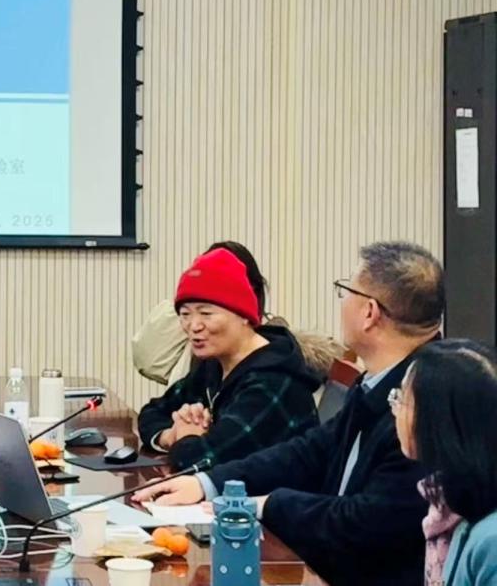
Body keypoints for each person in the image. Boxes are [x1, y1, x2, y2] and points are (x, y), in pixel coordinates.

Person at [133, 241, 445, 586]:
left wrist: (267, 505)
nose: (194, 325)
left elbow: (365, 521)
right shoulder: (380, 380)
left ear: (369, 312)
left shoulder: (423, 403)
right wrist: (208, 483)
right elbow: (311, 449)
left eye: (346, 291)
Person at [137, 247, 320, 469]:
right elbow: (152, 411)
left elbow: (198, 459)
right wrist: (170, 435)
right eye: (185, 314)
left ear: (244, 316)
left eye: (206, 314)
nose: (194, 326)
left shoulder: (272, 383)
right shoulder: (215, 365)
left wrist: (188, 436)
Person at [132, 241, 341, 389]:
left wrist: (180, 431)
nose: (195, 324)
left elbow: (217, 438)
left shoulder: (270, 370)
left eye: (207, 310)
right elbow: (150, 363)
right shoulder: (211, 360)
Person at [391, 339, 497, 586]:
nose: (394, 410)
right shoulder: (450, 502)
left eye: (401, 399)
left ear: (438, 418)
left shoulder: (490, 540)